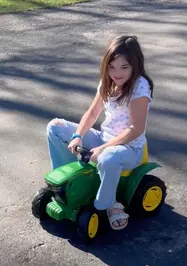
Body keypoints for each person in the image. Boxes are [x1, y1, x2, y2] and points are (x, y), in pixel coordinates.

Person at [46, 35, 153, 230]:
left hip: (129, 148)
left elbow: (135, 129)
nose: (116, 73)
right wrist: (77, 135)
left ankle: (109, 204)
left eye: (124, 67)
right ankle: (65, 185)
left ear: (135, 65)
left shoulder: (140, 87)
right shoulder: (107, 83)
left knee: (108, 157)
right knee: (55, 126)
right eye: (111, 67)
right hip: (105, 138)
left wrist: (102, 148)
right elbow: (93, 112)